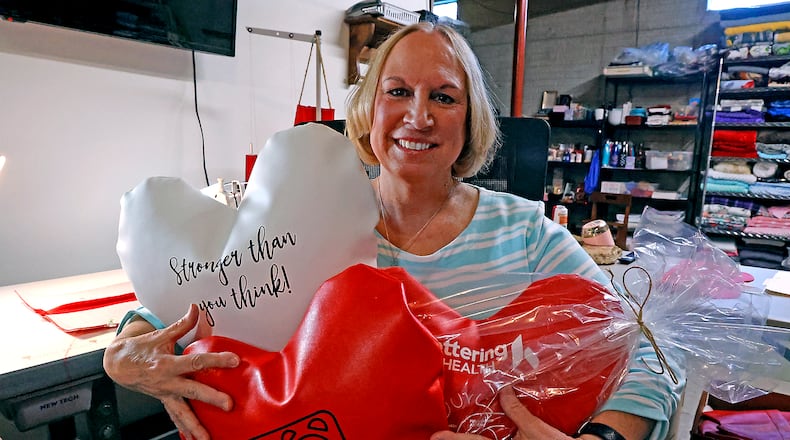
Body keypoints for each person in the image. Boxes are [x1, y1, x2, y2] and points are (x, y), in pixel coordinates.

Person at [103, 22, 684, 440]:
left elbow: (650, 349)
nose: (419, 115)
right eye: (398, 92)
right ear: (369, 111)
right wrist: (125, 350)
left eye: (444, 97)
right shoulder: (307, 222)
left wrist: (602, 439)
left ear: (470, 120)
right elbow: (185, 307)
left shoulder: (528, 235)